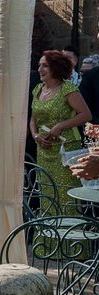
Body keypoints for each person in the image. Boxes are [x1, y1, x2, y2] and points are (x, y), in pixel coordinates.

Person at [29, 50, 91, 214]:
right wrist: (35, 135)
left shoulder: (67, 88)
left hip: (66, 150)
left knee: (65, 196)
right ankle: (48, 237)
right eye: (39, 65)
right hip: (44, 149)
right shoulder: (38, 89)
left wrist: (61, 125)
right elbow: (33, 120)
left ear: (55, 68)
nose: (40, 69)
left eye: (45, 66)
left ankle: (68, 236)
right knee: (47, 195)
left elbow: (86, 115)